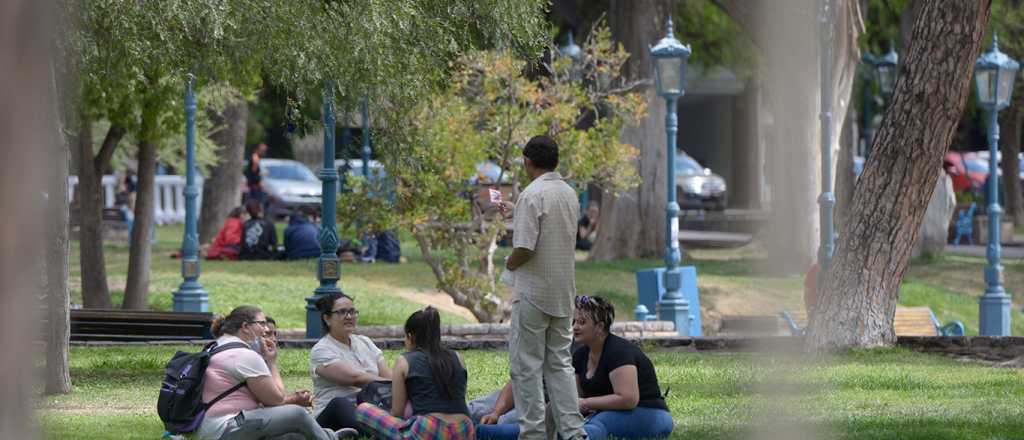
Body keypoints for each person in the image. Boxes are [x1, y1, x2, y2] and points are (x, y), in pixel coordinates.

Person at [497, 135, 587, 440]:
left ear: (527, 161)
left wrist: (508, 263)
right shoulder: (569, 194)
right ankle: (574, 433)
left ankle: (533, 434)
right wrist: (516, 209)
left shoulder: (532, 195)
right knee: (560, 365)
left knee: (526, 368)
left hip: (533, 294)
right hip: (562, 293)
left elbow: (524, 247)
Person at [196, 305, 353, 440]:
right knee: (297, 414)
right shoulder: (244, 355)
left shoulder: (215, 347)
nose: (265, 329)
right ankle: (329, 438)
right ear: (245, 327)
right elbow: (276, 399)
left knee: (293, 432)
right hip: (225, 429)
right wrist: (272, 363)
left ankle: (323, 433)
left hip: (209, 427)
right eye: (261, 324)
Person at [355, 307, 475, 439]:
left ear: (410, 336)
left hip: (428, 429)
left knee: (363, 410)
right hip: (465, 430)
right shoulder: (458, 357)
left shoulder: (405, 360)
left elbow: (397, 412)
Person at [570, 295, 673, 439]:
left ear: (599, 327)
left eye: (581, 322)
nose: (575, 327)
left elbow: (628, 399)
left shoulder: (619, 351)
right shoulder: (579, 355)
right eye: (574, 321)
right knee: (566, 423)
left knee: (599, 423)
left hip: (649, 413)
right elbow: (578, 398)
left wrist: (586, 403)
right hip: (604, 413)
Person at [310, 292, 392, 432]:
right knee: (340, 403)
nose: (349, 316)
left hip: (370, 408)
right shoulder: (321, 350)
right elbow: (356, 378)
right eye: (342, 312)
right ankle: (384, 429)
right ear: (327, 319)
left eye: (352, 312)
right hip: (334, 414)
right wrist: (390, 384)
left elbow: (388, 377)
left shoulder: (365, 342)